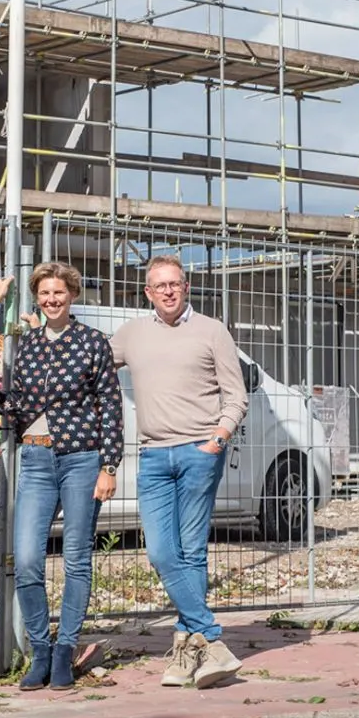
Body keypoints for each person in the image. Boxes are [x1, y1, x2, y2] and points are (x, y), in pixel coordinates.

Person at [111, 253, 248, 688]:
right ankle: (211, 641)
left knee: (191, 553)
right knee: (161, 553)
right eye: (160, 285)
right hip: (153, 456)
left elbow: (236, 395)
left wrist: (216, 441)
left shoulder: (212, 331)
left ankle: (186, 657)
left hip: (198, 453)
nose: (168, 291)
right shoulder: (132, 334)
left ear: (186, 287)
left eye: (176, 283)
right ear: (148, 292)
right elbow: (89, 364)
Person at [0, 259, 122, 692]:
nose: (51, 300)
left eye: (59, 292)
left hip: (82, 460)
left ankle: (66, 649)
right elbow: (18, 403)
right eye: (44, 293)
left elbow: (110, 406)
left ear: (73, 295)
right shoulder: (28, 345)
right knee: (27, 558)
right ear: (38, 297)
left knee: (76, 559)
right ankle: (41, 651)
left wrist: (109, 466)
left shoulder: (92, 342)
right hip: (36, 458)